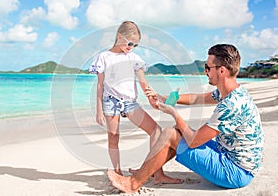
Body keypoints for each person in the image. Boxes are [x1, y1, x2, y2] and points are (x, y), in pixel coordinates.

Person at [107, 44, 264, 193]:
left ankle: (133, 183)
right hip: (231, 157)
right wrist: (165, 98)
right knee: (175, 131)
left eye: (208, 68)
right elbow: (196, 98)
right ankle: (152, 173)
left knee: (171, 134)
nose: (205, 72)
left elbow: (194, 141)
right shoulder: (232, 92)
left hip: (236, 172)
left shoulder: (231, 105)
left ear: (222, 71)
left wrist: (174, 114)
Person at [89, 21, 183, 184]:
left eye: (135, 45)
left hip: (130, 102)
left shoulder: (134, 58)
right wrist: (99, 110)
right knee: (113, 136)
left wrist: (151, 98)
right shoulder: (104, 57)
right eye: (130, 43)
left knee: (156, 131)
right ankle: (117, 172)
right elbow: (99, 86)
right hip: (110, 102)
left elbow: (143, 82)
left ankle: (157, 173)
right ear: (119, 37)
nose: (131, 47)